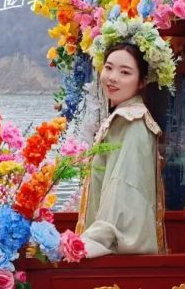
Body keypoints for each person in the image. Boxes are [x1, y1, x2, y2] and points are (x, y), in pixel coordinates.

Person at [75, 16, 176, 258]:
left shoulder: (131, 122)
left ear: (142, 82)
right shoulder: (124, 117)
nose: (112, 77)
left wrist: (84, 246)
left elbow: (122, 193)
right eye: (108, 68)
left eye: (125, 72)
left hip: (114, 259)